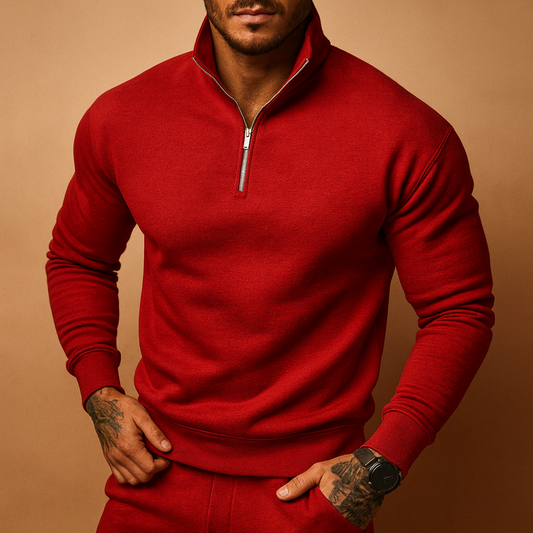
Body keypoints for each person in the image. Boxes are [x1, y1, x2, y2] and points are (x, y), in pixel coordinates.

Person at [46, 1, 494, 531]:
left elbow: (458, 309)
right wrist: (99, 390)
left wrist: (381, 463)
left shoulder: (409, 132)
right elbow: (79, 258)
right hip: (153, 475)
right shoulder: (122, 116)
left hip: (310, 495)